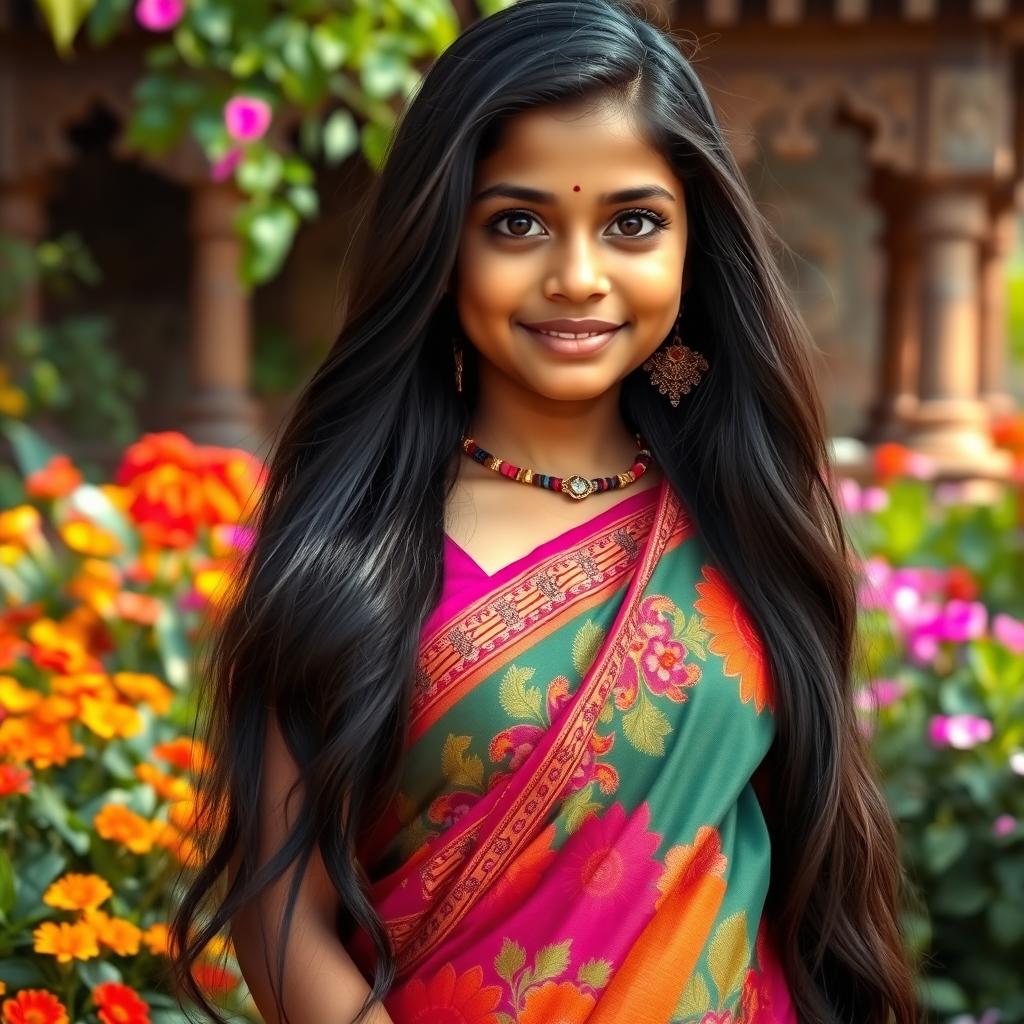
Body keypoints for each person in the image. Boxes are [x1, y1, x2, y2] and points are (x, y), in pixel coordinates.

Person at [168, 1, 921, 1022]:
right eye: (517, 223)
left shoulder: (745, 519)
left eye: (632, 223)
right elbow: (282, 919)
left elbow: (807, 864)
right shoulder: (353, 544)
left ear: (692, 244)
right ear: (443, 242)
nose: (577, 277)